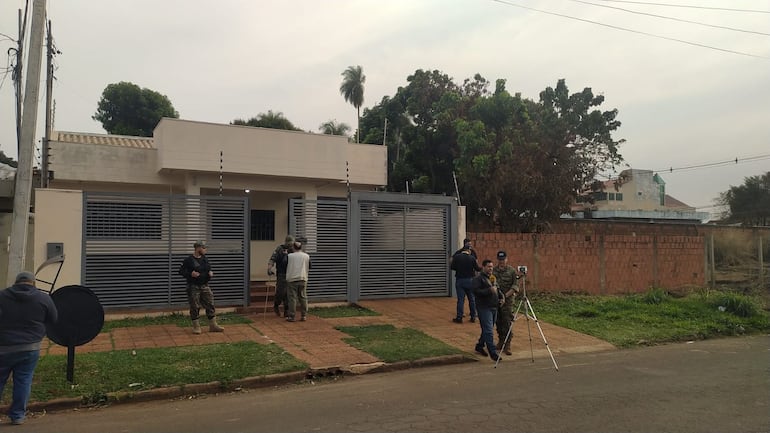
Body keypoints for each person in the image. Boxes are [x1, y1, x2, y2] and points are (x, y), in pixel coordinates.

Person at [0, 272, 58, 425]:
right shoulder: (43, 298)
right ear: (33, 283)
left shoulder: (2, 296)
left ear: (16, 282)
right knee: (23, 380)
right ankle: (18, 416)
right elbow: (53, 318)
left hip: (3, 347)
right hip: (30, 347)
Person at [179, 240, 224, 334]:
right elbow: (181, 271)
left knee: (210, 303)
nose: (205, 250)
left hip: (204, 286)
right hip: (193, 286)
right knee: (195, 306)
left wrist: (209, 273)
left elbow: (208, 268)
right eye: (204, 248)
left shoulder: (205, 259)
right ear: (198, 248)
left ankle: (213, 325)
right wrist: (191, 273)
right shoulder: (188, 260)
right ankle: (196, 326)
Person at [471, 260, 504, 361]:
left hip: (494, 307)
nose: (491, 269)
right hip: (484, 307)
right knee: (489, 331)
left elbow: (497, 289)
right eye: (489, 267)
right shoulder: (478, 279)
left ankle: (480, 345)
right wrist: (488, 291)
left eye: (492, 267)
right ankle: (493, 353)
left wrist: (502, 297)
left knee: (487, 329)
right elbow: (475, 291)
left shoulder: (492, 278)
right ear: (483, 267)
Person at [493, 250, 519, 356]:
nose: (501, 262)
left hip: (507, 302)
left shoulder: (511, 271)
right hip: (496, 301)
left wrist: (505, 296)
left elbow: (515, 286)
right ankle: (501, 341)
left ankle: (507, 344)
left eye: (503, 260)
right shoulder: (493, 271)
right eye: (500, 260)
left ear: (506, 259)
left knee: (507, 322)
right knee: (498, 322)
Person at [449, 243, 481, 323]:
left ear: (463, 249)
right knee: (472, 299)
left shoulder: (457, 257)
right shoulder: (472, 258)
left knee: (460, 300)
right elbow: (477, 269)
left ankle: (459, 317)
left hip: (460, 280)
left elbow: (452, 267)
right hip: (470, 280)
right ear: (469, 250)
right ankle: (473, 317)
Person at [268, 235, 294, 317]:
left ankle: (287, 310)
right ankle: (276, 304)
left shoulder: (293, 250)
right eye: (289, 243)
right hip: (281, 273)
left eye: (291, 244)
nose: (290, 245)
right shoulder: (279, 249)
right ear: (286, 242)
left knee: (288, 293)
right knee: (281, 292)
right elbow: (272, 259)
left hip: (291, 273)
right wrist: (269, 268)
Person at [285, 241, 311, 322]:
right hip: (303, 278)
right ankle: (304, 315)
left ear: (293, 247)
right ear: (301, 247)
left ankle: (292, 316)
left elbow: (284, 264)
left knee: (292, 298)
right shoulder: (307, 256)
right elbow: (310, 266)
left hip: (292, 279)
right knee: (303, 297)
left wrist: (285, 254)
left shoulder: (289, 256)